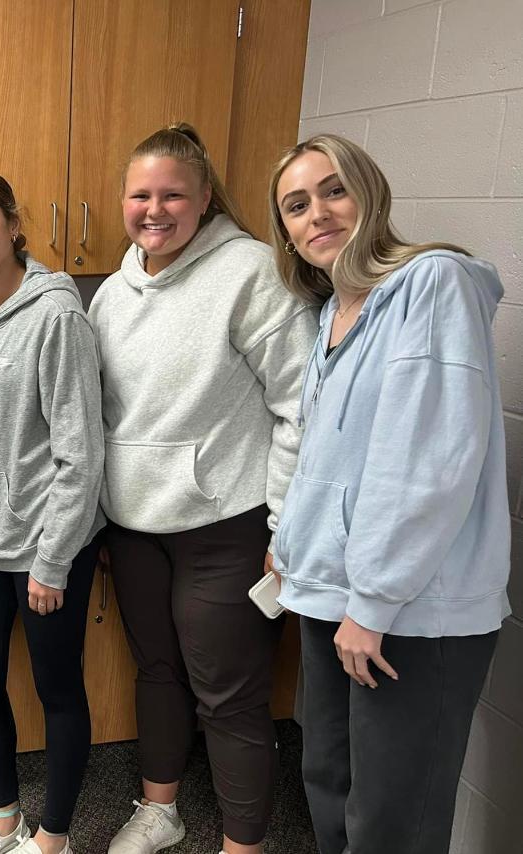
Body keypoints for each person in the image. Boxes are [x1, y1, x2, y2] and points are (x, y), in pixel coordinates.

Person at [268, 134, 511, 854]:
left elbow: (426, 463)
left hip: (410, 610)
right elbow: (327, 453)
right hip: (333, 594)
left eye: (334, 190)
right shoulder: (332, 314)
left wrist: (372, 603)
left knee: (390, 822)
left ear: (370, 192)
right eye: (296, 205)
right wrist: (291, 542)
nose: (318, 214)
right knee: (328, 782)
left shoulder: (433, 284)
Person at [89, 123, 318, 854]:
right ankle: (161, 812)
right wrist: (100, 516)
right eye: (140, 195)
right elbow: (103, 416)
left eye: (173, 195)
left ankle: (244, 844)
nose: (154, 210)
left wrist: (284, 527)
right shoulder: (112, 294)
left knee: (228, 694)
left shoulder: (251, 273)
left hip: (228, 526)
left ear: (206, 197)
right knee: (158, 673)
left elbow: (300, 409)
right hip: (135, 527)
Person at [0, 173, 105, 854]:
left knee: (56, 688)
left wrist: (52, 560)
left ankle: (52, 839)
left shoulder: (58, 315)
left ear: (11, 221)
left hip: (45, 539)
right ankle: (4, 819)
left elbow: (80, 450)